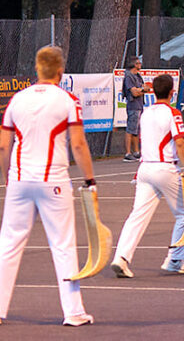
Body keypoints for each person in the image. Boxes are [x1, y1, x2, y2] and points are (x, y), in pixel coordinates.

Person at [0, 45, 97, 326]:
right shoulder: (67, 100)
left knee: (8, 244)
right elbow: (78, 144)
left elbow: (4, 145)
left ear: (36, 68)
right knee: (63, 244)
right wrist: (89, 179)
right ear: (60, 70)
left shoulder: (17, 100)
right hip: (53, 181)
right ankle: (74, 312)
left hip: (19, 180)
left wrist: (8, 177)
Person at [112, 74, 184, 277]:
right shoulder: (173, 113)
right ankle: (175, 260)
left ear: (153, 92)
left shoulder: (146, 112)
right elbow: (180, 142)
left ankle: (121, 258)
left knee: (137, 215)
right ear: (172, 92)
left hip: (144, 169)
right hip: (165, 168)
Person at [122, 58, 146, 161]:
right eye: (138, 63)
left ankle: (136, 151)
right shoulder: (129, 77)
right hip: (133, 105)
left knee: (136, 129)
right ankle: (128, 153)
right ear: (133, 64)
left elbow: (145, 88)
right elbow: (134, 92)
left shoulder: (138, 76)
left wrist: (141, 90)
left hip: (140, 105)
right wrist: (141, 90)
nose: (140, 64)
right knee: (131, 129)